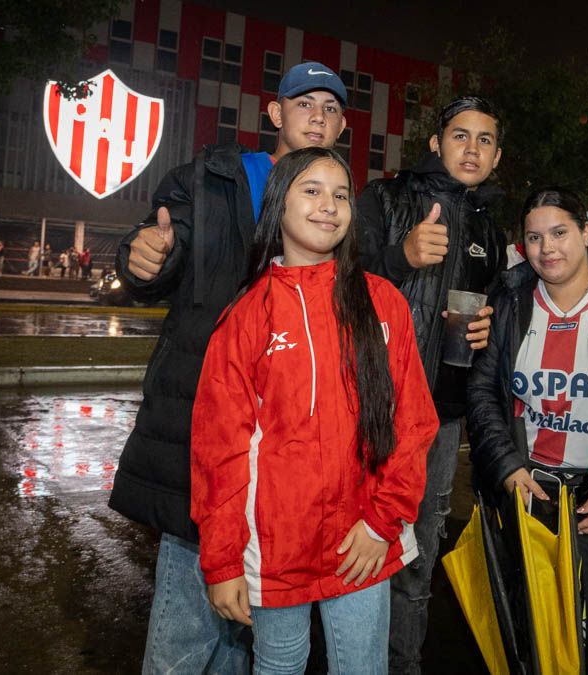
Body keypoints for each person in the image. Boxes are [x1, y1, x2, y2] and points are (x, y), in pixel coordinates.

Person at [109, 61, 349, 674]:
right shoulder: (216, 179)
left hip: (287, 447)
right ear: (275, 113)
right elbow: (162, 243)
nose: (317, 115)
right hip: (208, 425)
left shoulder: (340, 203)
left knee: (249, 631)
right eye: (304, 102)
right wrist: (145, 259)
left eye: (330, 106)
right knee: (186, 626)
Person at [191, 147, 437, 674]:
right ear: (278, 204)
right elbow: (219, 452)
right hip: (278, 544)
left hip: (362, 543)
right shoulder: (245, 315)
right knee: (280, 665)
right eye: (312, 190)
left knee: (362, 668)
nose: (330, 205)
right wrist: (222, 560)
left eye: (341, 194)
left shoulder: (382, 301)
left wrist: (381, 522)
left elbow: (413, 422)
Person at [466, 187, 588, 674]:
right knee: (527, 618)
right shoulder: (509, 303)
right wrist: (507, 467)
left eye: (559, 233)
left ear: (586, 232)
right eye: (534, 237)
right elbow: (482, 396)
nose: (547, 248)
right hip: (527, 487)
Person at [356, 95, 505, 674]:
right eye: (460, 135)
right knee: (359, 539)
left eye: (485, 139)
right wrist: (401, 256)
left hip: (442, 414)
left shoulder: (492, 224)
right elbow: (341, 278)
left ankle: (403, 665)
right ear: (436, 143)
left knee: (421, 548)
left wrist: (489, 326)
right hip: (375, 405)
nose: (472, 149)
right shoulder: (387, 197)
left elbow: (497, 303)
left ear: (497, 154)